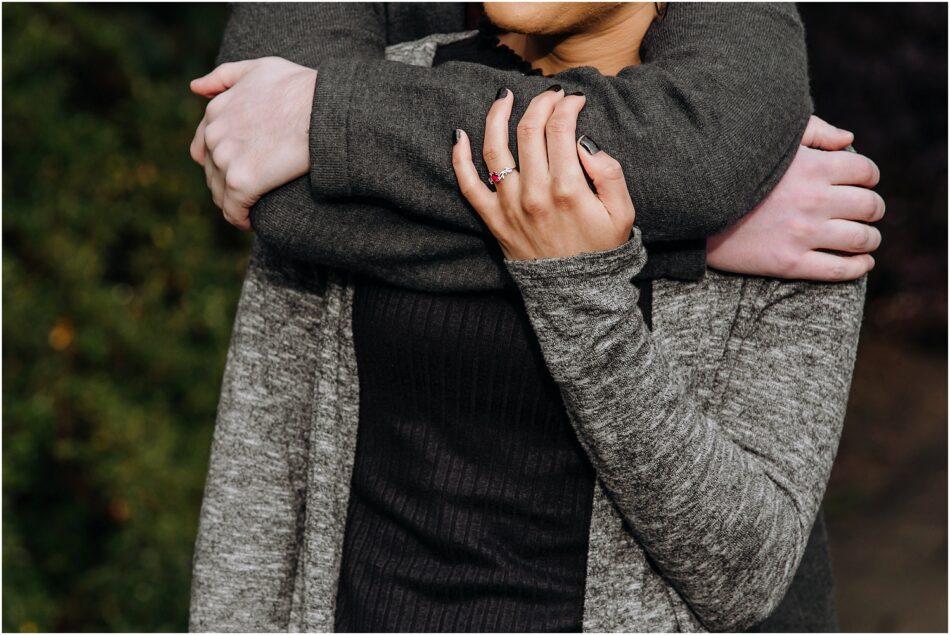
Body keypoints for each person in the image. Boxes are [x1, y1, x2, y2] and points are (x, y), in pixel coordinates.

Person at [188, 4, 883, 632]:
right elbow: (259, 484)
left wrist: (583, 287)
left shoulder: (788, 175)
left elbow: (743, 572)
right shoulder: (361, 96)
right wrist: (677, 242)